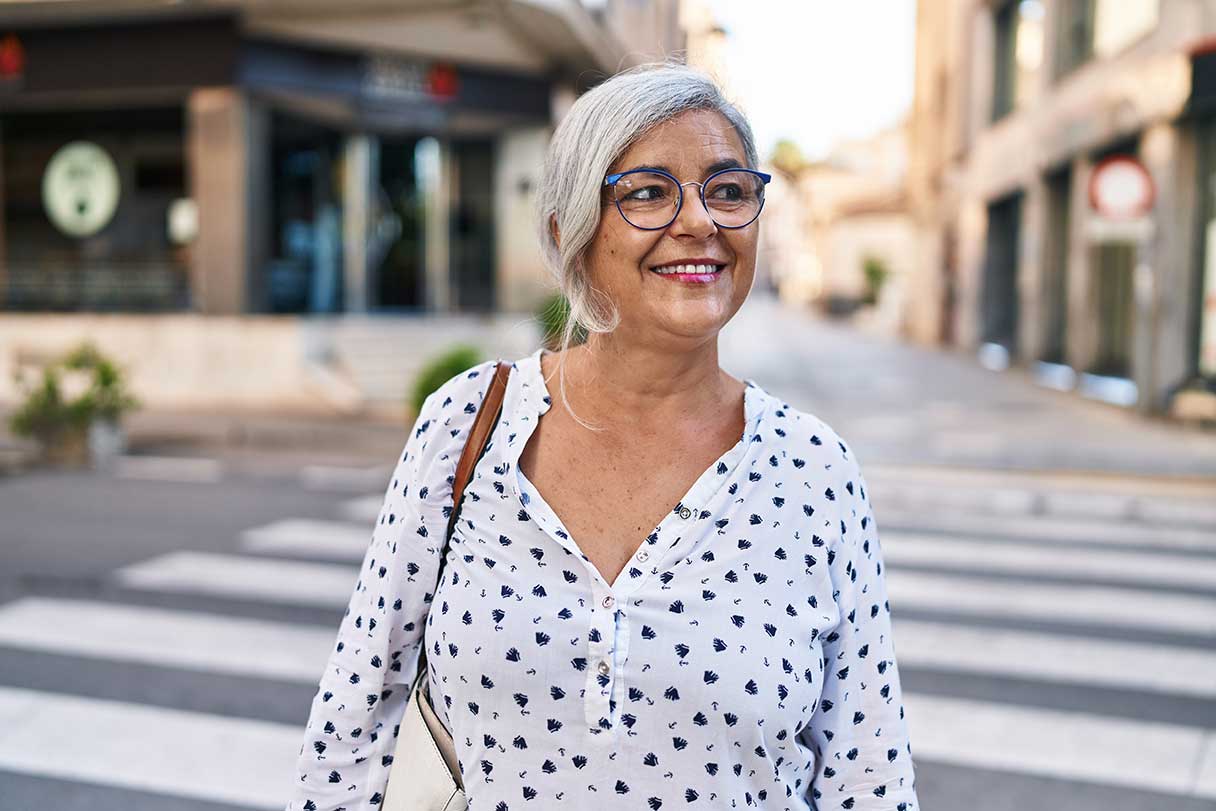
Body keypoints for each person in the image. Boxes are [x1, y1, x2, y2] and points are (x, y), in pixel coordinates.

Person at [285, 62, 919, 811]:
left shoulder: (815, 470)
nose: (699, 221)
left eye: (727, 190)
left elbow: (867, 779)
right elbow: (353, 724)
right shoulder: (467, 423)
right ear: (571, 233)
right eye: (648, 191)